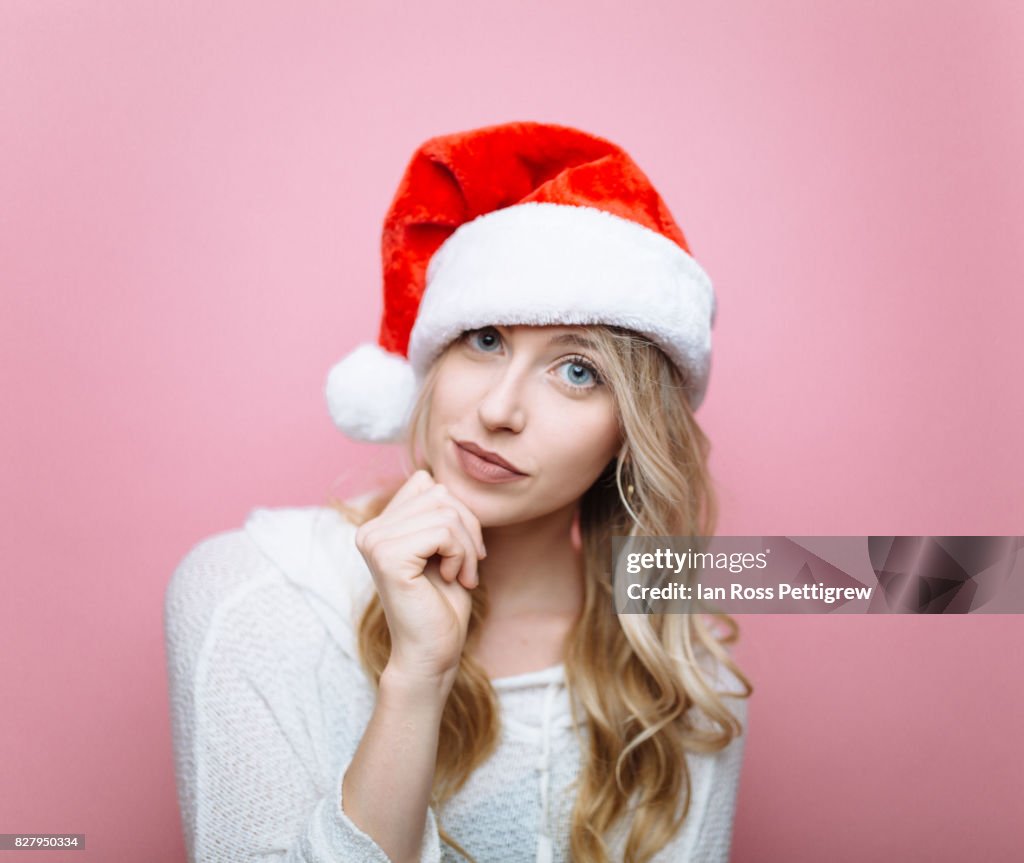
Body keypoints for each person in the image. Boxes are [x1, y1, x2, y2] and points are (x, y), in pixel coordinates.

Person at [164, 121, 752, 863]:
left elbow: (922, 574)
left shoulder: (685, 676)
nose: (499, 410)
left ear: (631, 432)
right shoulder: (253, 592)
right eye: (485, 340)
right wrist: (417, 678)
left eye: (578, 371)